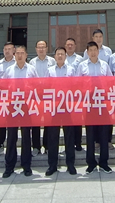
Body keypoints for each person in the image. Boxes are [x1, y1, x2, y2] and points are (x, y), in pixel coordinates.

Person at [2, 45, 38, 178]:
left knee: (26, 137)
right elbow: (3, 87)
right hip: (12, 105)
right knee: (11, 137)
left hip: (26, 106)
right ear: (14, 55)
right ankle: (9, 166)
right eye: (17, 53)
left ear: (26, 55)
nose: (20, 55)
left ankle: (26, 166)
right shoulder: (9, 70)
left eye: (22, 53)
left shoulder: (32, 69)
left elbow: (37, 86)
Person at [77, 41, 113, 173]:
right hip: (89, 104)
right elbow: (77, 83)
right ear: (87, 52)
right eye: (90, 50)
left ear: (98, 52)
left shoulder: (104, 65)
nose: (93, 52)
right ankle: (91, 163)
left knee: (103, 135)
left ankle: (104, 162)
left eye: (95, 50)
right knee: (90, 135)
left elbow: (110, 82)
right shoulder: (82, 66)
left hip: (102, 103)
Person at [45, 46, 77, 176]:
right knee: (53, 137)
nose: (60, 56)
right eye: (58, 54)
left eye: (62, 54)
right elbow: (46, 88)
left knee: (69, 137)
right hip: (54, 108)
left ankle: (71, 164)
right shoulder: (49, 71)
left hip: (68, 107)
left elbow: (75, 87)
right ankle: (52, 165)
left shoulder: (71, 70)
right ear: (54, 56)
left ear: (65, 56)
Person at [29, 40, 56, 156]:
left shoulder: (52, 61)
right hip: (36, 95)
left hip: (48, 95)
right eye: (39, 47)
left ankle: (47, 145)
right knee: (35, 121)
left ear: (46, 48)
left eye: (43, 47)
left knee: (48, 121)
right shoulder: (32, 62)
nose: (41, 49)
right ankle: (36, 146)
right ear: (36, 49)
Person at [0, 41, 16, 158]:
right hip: (2, 97)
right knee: (1, 122)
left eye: (9, 49)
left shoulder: (18, 62)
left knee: (14, 123)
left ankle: (13, 146)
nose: (7, 51)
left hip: (15, 97)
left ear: (14, 50)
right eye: (5, 49)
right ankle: (0, 144)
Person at [64, 37, 84, 151]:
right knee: (67, 120)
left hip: (77, 93)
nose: (70, 46)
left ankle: (78, 143)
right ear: (65, 46)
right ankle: (69, 143)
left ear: (75, 46)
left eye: (72, 44)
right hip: (65, 95)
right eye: (68, 45)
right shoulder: (62, 58)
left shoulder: (80, 59)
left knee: (77, 119)